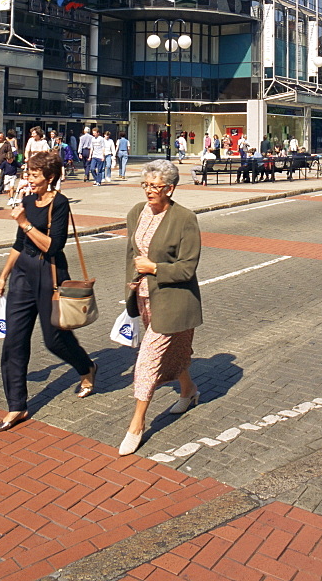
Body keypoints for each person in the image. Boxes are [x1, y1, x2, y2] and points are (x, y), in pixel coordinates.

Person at [0, 151, 97, 432]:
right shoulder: (27, 200)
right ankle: (17, 406)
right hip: (23, 275)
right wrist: (3, 276)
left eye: (34, 175)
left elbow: (53, 246)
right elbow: (18, 244)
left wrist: (24, 222)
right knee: (14, 341)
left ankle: (86, 367)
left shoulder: (60, 204)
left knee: (54, 340)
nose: (29, 178)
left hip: (49, 274)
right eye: (28, 173)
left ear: (49, 178)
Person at [119, 160, 202, 455]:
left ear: (170, 188)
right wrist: (132, 282)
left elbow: (187, 268)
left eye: (156, 186)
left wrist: (154, 267)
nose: (149, 191)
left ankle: (137, 424)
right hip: (144, 298)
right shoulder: (135, 214)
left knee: (148, 361)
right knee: (176, 353)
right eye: (146, 185)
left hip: (175, 301)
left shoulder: (184, 218)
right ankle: (189, 390)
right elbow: (132, 254)